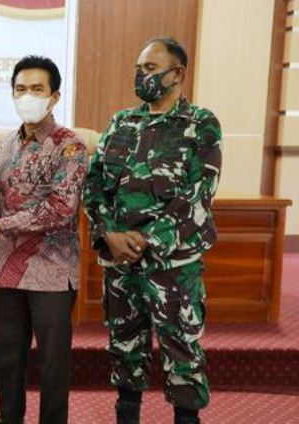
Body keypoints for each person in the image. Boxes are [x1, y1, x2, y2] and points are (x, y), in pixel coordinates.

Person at [82, 37, 222, 424]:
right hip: (121, 263)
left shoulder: (200, 124)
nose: (140, 76)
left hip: (173, 266)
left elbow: (198, 196)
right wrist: (109, 233)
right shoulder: (121, 123)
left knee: (182, 354)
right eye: (138, 69)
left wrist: (147, 239)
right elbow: (94, 184)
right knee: (125, 351)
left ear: (176, 74)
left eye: (149, 68)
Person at [0, 55, 87, 424]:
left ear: (54, 96)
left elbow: (60, 209)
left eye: (37, 89)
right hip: (7, 272)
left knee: (52, 366)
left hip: (52, 274)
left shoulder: (70, 146)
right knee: (7, 360)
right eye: (20, 89)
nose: (28, 96)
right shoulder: (3, 145)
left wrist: (0, 225)